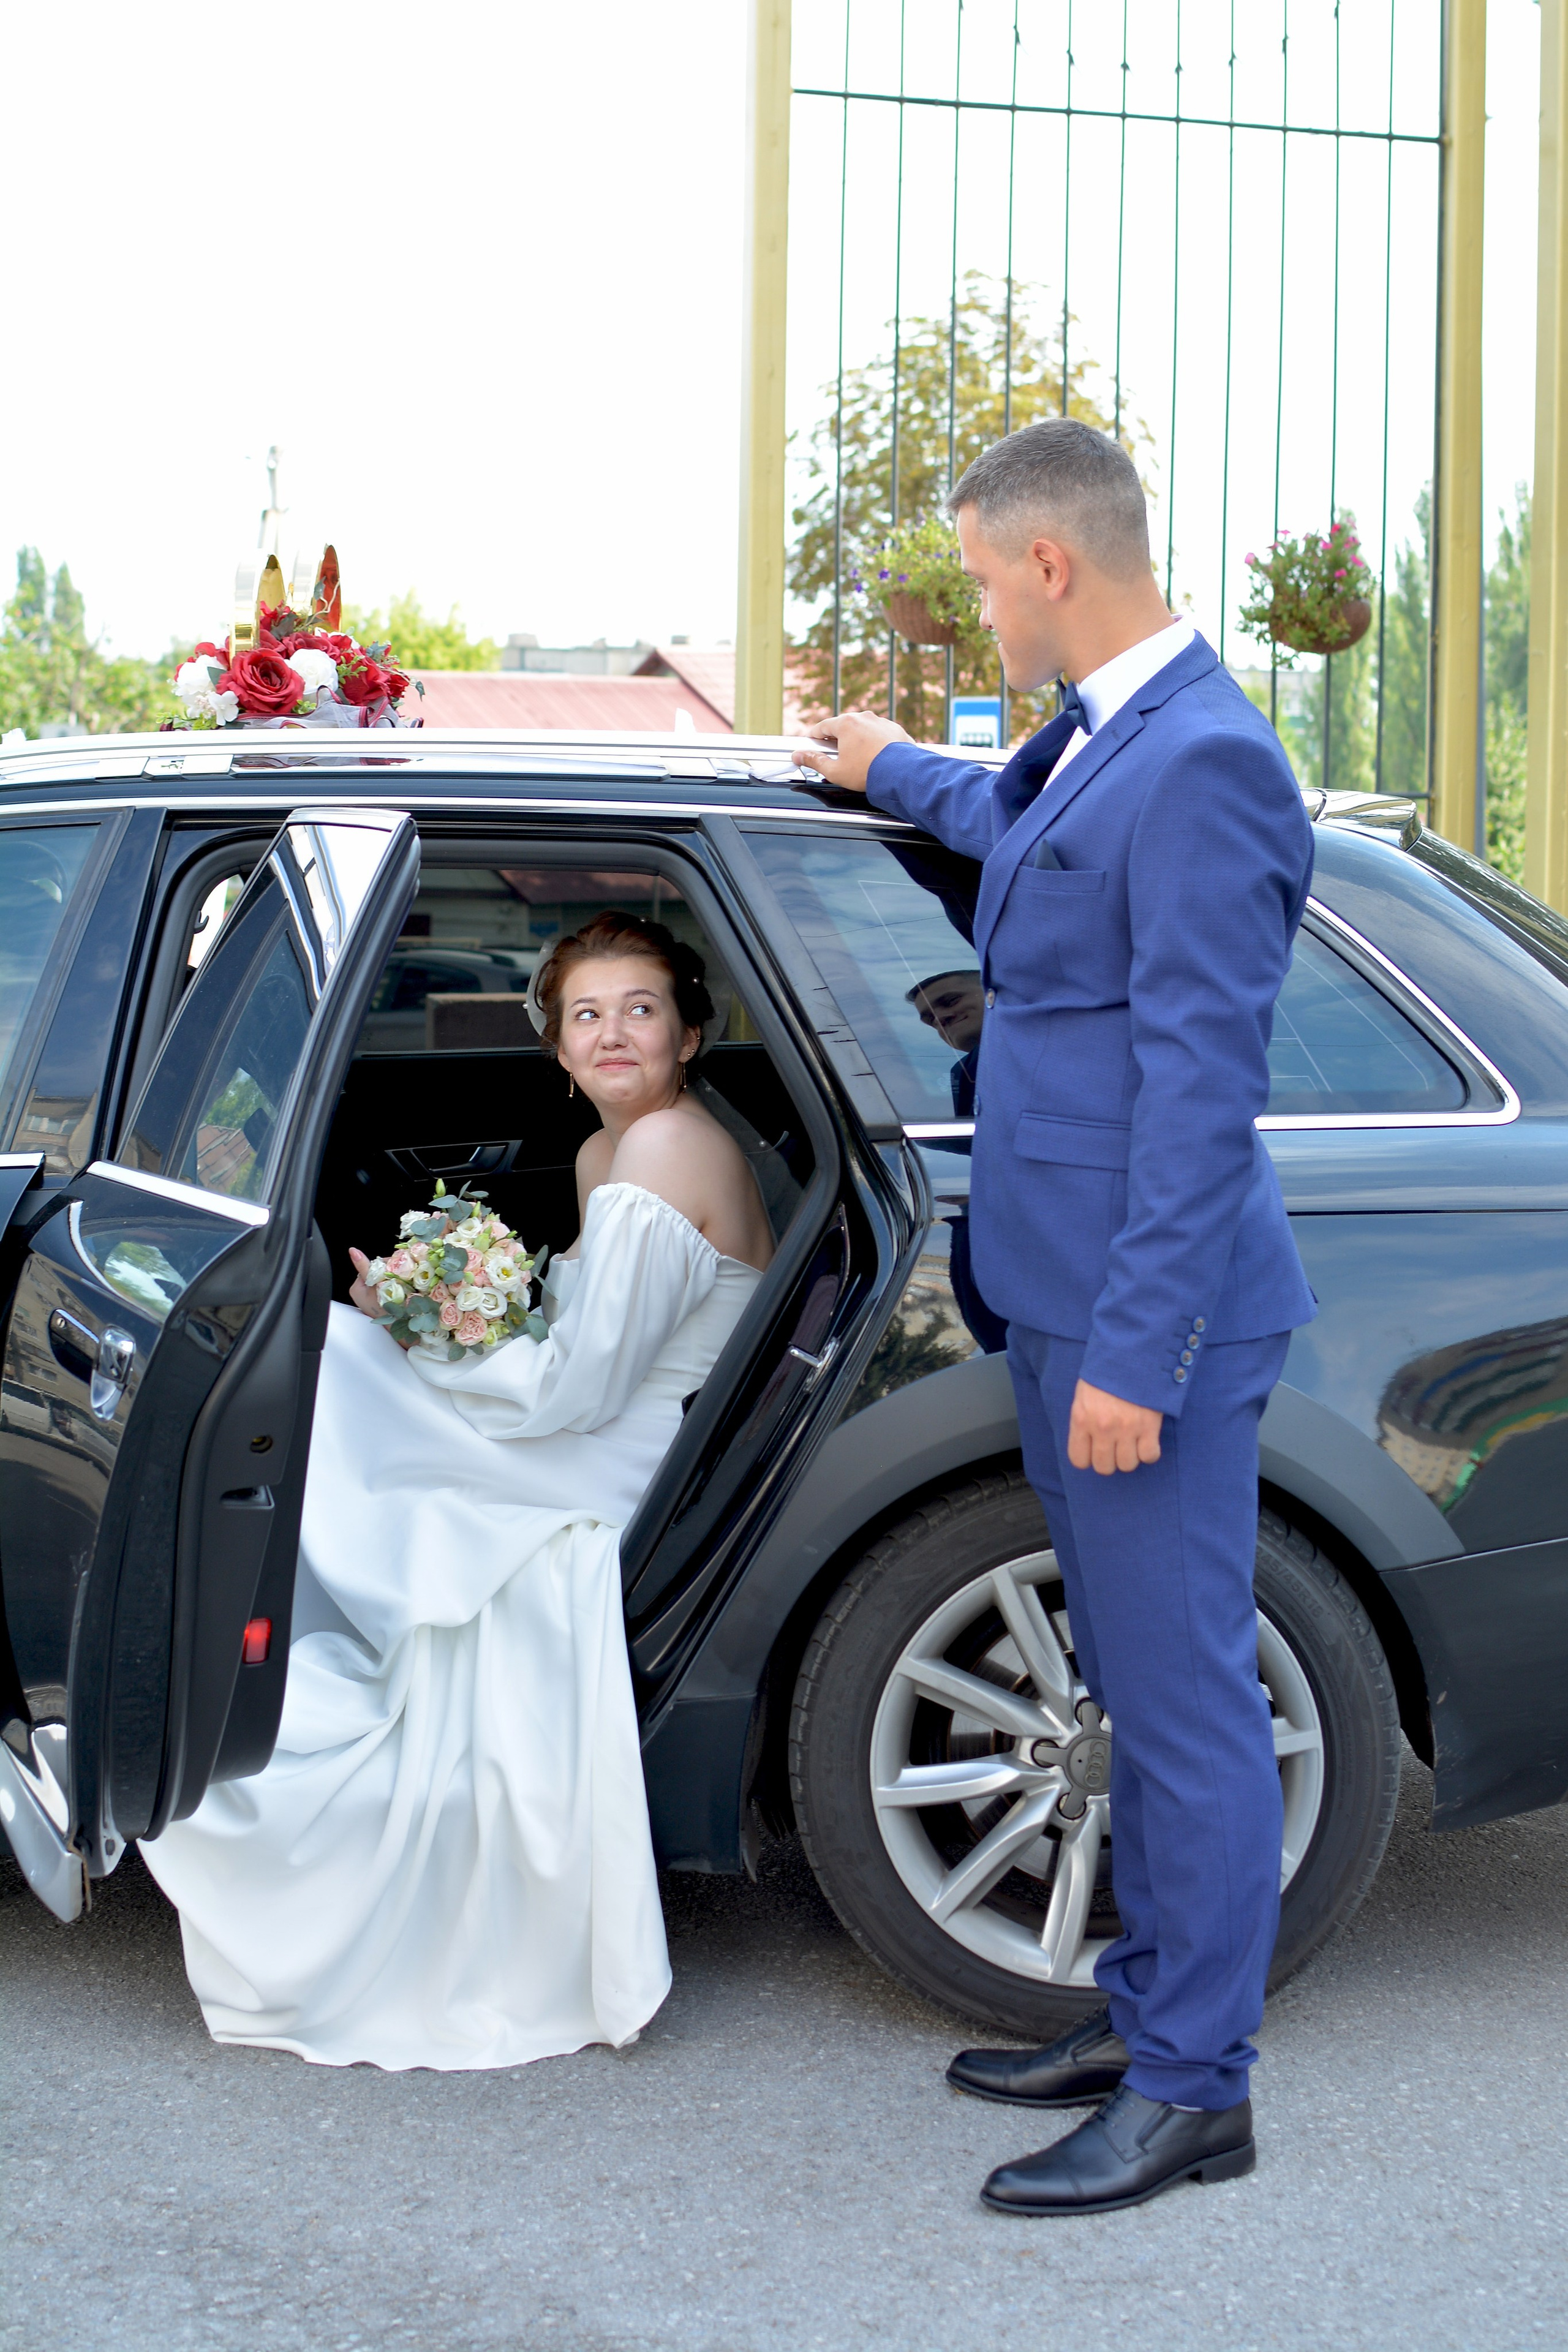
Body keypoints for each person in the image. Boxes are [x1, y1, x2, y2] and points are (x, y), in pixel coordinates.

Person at [796, 417, 1316, 2217]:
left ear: (1046, 565)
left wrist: (1134, 1351)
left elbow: (1198, 1089)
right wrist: (880, 767)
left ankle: (1194, 2091)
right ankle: (1139, 2008)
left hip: (1137, 1327)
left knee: (1181, 1712)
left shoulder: (1205, 765)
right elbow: (1007, 828)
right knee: (1127, 1677)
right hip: (1062, 1293)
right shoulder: (1098, 742)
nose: (976, 615)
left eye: (977, 577)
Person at [142, 911, 771, 2071]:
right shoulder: (609, 1153)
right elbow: (586, 1342)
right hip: (606, 1419)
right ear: (557, 1046)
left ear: (691, 1032)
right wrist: (453, 1323)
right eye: (586, 1015)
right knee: (346, 1359)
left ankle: (249, 1643)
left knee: (336, 1366)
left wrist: (419, 1336)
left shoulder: (670, 1150)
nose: (613, 1033)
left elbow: (578, 1388)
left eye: (641, 1009)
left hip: (624, 1454)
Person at [905, 969, 1007, 1354]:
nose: (940, 1019)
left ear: (994, 993)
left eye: (950, 1002)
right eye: (929, 1018)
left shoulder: (1005, 1052)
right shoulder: (968, 1069)